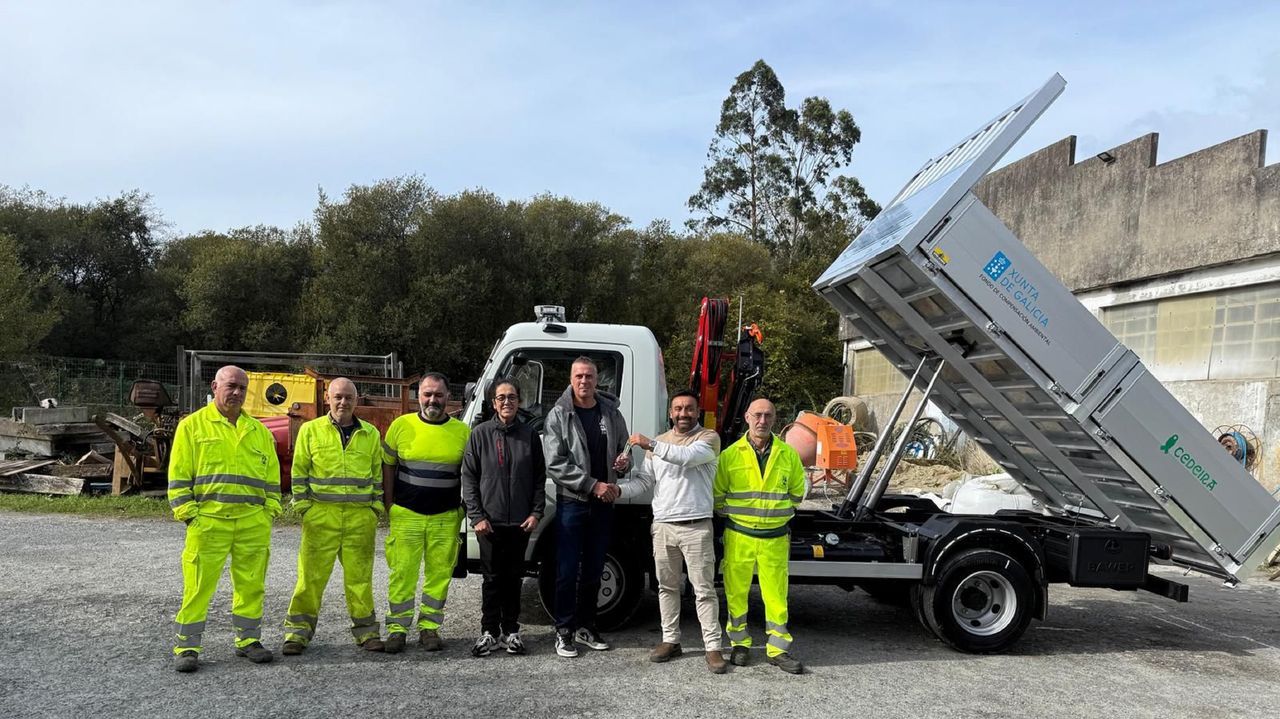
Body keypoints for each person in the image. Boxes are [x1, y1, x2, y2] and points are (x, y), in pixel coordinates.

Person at [168, 365, 281, 673]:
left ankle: (248, 641)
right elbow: (178, 477)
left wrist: (269, 509)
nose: (237, 393)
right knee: (198, 586)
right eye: (231, 386)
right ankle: (187, 647)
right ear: (215, 386)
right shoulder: (192, 427)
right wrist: (190, 515)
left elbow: (272, 477)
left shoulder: (258, 430)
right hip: (209, 524)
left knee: (251, 585)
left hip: (252, 524)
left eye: (243, 388)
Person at [620, 389, 727, 674]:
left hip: (697, 527)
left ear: (697, 412)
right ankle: (671, 640)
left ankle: (713, 647)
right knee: (667, 588)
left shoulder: (708, 439)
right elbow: (645, 481)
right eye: (678, 408)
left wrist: (649, 443)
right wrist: (616, 489)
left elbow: (686, 457)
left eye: (689, 409)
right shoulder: (660, 444)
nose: (683, 414)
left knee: (704, 590)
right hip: (664, 526)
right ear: (670, 412)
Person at [281, 377, 385, 655]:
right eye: (338, 397)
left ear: (356, 400)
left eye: (348, 397)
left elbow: (376, 475)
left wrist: (375, 508)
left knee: (360, 579)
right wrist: (304, 507)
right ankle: (296, 633)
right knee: (310, 578)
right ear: (328, 398)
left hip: (360, 519)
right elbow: (299, 471)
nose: (343, 402)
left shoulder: (370, 434)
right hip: (320, 518)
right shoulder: (311, 431)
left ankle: (367, 633)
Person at [542, 356, 630, 658]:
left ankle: (587, 626)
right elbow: (555, 464)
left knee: (594, 568)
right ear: (571, 379)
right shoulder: (558, 415)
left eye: (589, 376)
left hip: (603, 505)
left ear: (597, 380)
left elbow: (623, 449)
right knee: (566, 570)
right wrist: (593, 485)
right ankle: (563, 630)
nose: (584, 381)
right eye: (579, 376)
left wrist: (623, 461)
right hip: (573, 503)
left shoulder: (611, 413)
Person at [714, 397, 806, 675]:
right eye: (757, 415)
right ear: (747, 417)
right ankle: (739, 645)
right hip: (739, 536)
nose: (762, 420)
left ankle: (778, 650)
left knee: (776, 595)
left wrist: (773, 516)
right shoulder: (730, 455)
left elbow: (797, 494)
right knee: (736, 594)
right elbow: (718, 497)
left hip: (775, 538)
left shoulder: (788, 455)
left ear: (774, 419)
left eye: (767, 415)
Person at [381, 372, 471, 653]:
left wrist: (462, 509)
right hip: (406, 513)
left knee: (439, 575)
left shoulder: (462, 432)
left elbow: (469, 474)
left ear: (448, 398)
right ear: (417, 396)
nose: (433, 400)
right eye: (427, 394)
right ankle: (397, 629)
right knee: (402, 574)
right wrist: (389, 504)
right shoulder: (400, 426)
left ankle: (429, 628)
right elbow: (388, 466)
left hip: (445, 516)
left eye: (439, 395)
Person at [461, 379, 547, 657]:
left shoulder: (529, 435)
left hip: (520, 523)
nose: (506, 402)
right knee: (491, 579)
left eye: (511, 397)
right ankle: (489, 632)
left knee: (514, 578)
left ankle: (511, 632)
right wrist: (476, 517)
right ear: (493, 402)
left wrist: (536, 512)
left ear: (519, 401)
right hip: (489, 523)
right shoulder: (480, 434)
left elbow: (538, 478)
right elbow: (469, 478)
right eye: (501, 398)